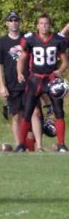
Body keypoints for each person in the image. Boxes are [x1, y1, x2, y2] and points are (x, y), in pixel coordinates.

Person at [17, 13, 68, 152]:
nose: (44, 26)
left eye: (46, 23)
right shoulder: (30, 39)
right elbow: (22, 58)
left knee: (59, 111)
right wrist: (19, 73)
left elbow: (65, 61)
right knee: (27, 112)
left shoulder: (58, 39)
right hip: (35, 79)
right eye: (41, 23)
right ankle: (21, 144)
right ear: (37, 25)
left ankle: (61, 144)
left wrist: (60, 71)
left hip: (52, 79)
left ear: (50, 25)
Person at [0, 12, 43, 152]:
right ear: (7, 23)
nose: (14, 23)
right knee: (16, 116)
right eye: (11, 20)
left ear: (19, 22)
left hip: (30, 82)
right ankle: (19, 145)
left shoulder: (28, 39)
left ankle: (39, 146)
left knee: (35, 113)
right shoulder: (2, 42)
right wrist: (2, 86)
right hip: (12, 84)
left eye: (16, 20)